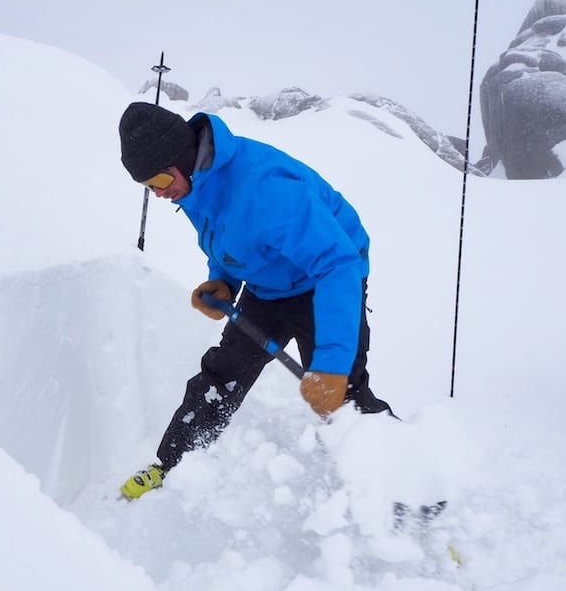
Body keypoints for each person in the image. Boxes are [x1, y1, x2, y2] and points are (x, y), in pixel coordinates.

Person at [117, 101, 391, 499]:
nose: (159, 193)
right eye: (148, 186)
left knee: (343, 398)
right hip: (268, 288)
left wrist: (331, 366)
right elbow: (229, 240)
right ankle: (172, 465)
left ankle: (415, 495)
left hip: (325, 281)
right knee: (220, 376)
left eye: (159, 179)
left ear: (181, 157)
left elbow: (337, 265)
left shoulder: (266, 189)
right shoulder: (195, 186)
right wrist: (222, 282)